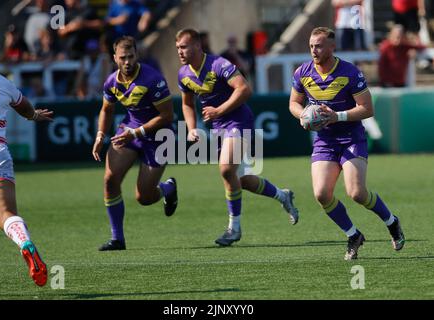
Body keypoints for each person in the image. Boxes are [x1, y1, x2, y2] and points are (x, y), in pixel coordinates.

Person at [288, 27, 405, 260]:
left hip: (351, 137)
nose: (314, 50)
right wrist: (302, 115)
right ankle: (353, 235)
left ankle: (391, 221)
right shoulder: (303, 72)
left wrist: (337, 116)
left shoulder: (350, 72)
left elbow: (367, 108)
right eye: (311, 45)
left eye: (319, 45)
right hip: (325, 140)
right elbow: (293, 102)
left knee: (356, 193)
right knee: (321, 194)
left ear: (332, 47)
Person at [175, 28, 299, 247]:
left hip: (238, 121)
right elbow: (186, 104)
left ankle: (234, 228)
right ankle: (283, 196)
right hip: (217, 127)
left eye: (184, 46)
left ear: (197, 45)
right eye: (177, 48)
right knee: (242, 181)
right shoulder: (184, 74)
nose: (180, 51)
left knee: (225, 170)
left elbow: (244, 89)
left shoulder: (219, 64)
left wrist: (219, 110)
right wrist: (192, 128)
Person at [92, 36, 177, 251]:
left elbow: (167, 116)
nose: (127, 62)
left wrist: (136, 133)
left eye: (131, 56)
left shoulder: (153, 79)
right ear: (115, 58)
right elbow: (106, 109)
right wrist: (100, 135)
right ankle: (117, 239)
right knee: (110, 180)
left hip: (159, 136)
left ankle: (167, 189)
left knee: (144, 198)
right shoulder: (112, 81)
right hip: (128, 131)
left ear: (137, 55)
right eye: (123, 57)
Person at [0, 33, 53, 285]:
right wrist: (35, 116)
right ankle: (25, 242)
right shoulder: (2, 82)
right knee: (5, 213)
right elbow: (25, 108)